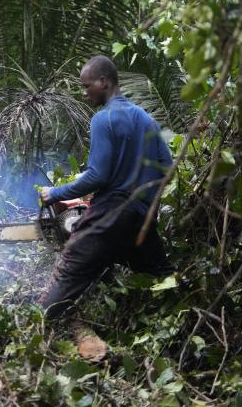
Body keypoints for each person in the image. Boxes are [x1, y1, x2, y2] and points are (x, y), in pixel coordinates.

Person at [38, 55, 174, 318]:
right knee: (164, 279)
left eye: (87, 86)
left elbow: (97, 177)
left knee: (68, 273)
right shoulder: (147, 120)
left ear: (104, 82)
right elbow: (167, 169)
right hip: (141, 217)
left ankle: (36, 328)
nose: (85, 92)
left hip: (111, 212)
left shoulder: (103, 119)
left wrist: (55, 193)